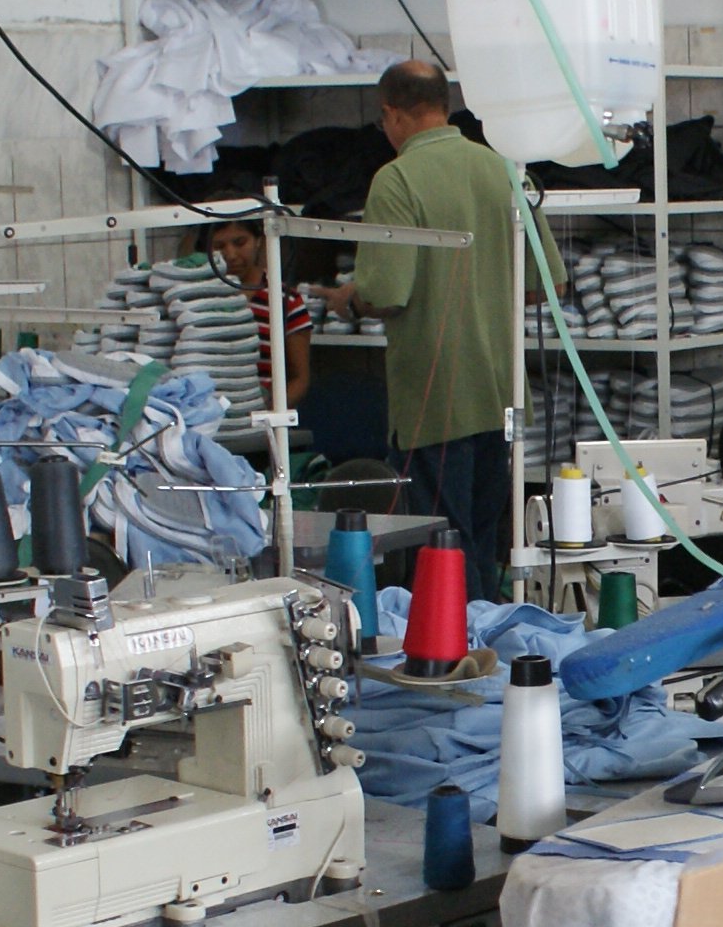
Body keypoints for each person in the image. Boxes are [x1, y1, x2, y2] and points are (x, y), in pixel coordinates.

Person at [317, 60, 519, 602]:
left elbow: (387, 292)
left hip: (436, 398)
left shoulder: (397, 177)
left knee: (444, 542)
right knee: (483, 538)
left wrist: (350, 297)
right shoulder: (500, 167)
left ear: (391, 114)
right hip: (502, 392)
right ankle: (489, 634)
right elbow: (545, 280)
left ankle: (462, 642)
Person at [211, 217, 312, 411]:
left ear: (259, 240)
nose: (230, 255)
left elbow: (300, 379)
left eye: (240, 243)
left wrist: (266, 414)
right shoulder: (199, 298)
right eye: (219, 246)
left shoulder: (285, 301)